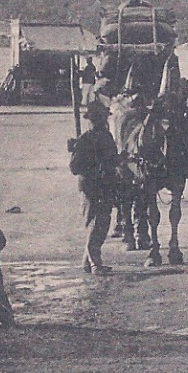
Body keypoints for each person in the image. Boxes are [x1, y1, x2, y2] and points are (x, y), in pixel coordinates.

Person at [69, 98, 120, 274]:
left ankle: (87, 262)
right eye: (99, 119)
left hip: (106, 185)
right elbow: (75, 168)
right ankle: (95, 264)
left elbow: (113, 159)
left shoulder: (107, 137)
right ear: (92, 120)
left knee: (103, 223)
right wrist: (95, 167)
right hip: (91, 186)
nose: (102, 122)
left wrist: (123, 158)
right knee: (95, 224)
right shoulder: (84, 140)